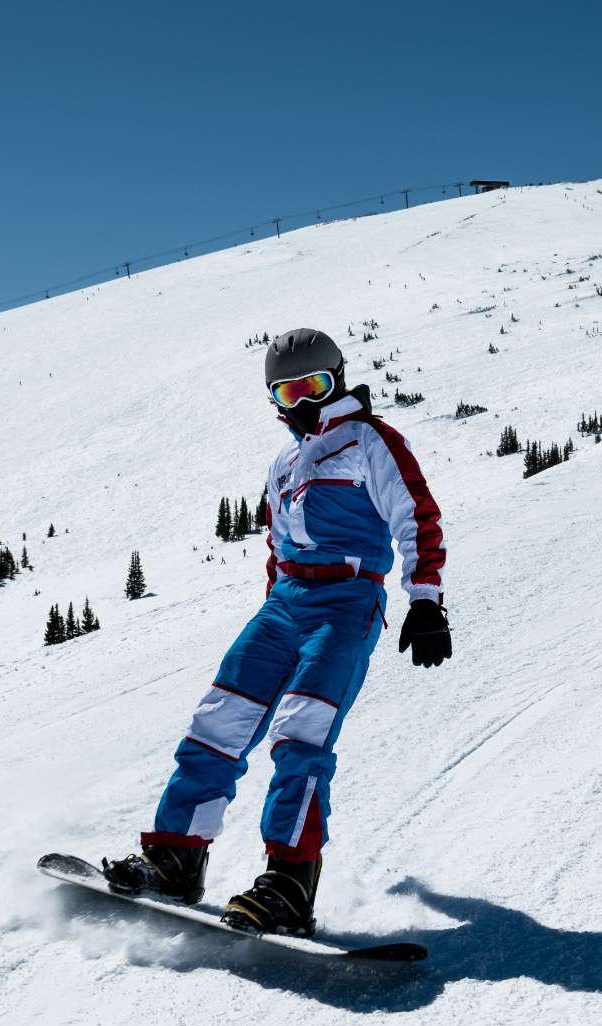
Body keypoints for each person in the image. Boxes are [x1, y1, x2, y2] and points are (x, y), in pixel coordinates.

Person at [102, 327, 452, 937]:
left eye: (315, 385)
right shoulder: (285, 462)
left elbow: (417, 519)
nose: (305, 402)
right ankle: (176, 857)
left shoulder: (371, 440)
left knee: (300, 733)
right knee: (218, 721)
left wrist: (424, 601)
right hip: (285, 603)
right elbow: (278, 542)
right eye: (290, 393)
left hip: (346, 600)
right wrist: (274, 604)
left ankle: (289, 882)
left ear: (338, 380)